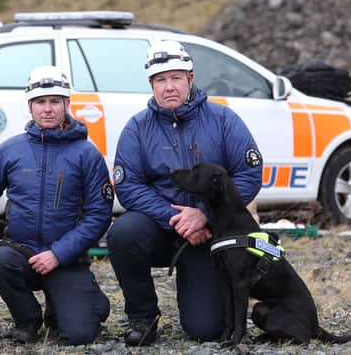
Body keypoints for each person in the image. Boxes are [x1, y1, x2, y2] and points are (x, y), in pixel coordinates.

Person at [107, 40, 263, 346]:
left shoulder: (223, 120)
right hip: (161, 228)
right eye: (160, 80)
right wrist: (174, 218)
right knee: (123, 234)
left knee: (205, 330)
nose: (169, 87)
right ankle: (142, 318)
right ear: (151, 85)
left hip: (210, 237)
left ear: (190, 79)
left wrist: (204, 215)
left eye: (176, 78)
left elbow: (249, 174)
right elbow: (129, 186)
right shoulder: (137, 128)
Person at [0, 65, 112, 345]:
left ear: (66, 105)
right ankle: (27, 319)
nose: (47, 109)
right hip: (20, 252)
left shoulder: (87, 154)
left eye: (54, 102)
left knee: (79, 334)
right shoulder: (10, 150)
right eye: (40, 102)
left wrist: (58, 254)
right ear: (30, 106)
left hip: (66, 259)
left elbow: (99, 214)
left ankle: (86, 303)